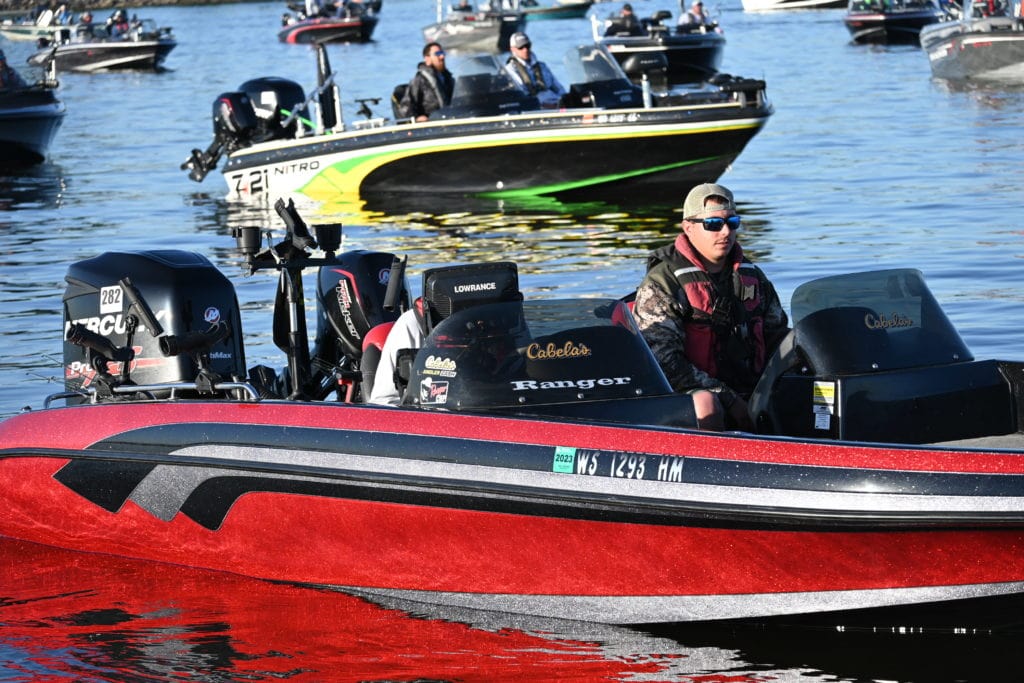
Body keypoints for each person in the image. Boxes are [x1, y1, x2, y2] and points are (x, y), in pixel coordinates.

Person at [632, 183, 789, 432]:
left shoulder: (753, 277)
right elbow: (663, 362)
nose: (726, 232)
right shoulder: (663, 283)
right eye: (713, 224)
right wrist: (728, 398)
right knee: (706, 403)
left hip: (750, 390)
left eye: (732, 222)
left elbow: (778, 338)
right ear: (688, 227)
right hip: (689, 394)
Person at [503, 32, 566, 109]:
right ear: (513, 49)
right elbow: (522, 96)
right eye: (521, 47)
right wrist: (543, 106)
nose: (525, 50)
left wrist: (564, 101)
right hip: (535, 108)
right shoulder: (510, 70)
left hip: (557, 104)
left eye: (527, 46)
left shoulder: (542, 66)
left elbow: (559, 89)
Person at [397, 42, 454, 122]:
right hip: (431, 123)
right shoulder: (420, 80)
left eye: (442, 53)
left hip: (451, 120)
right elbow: (405, 108)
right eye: (437, 54)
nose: (442, 56)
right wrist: (417, 118)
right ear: (427, 59)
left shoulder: (449, 78)